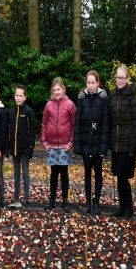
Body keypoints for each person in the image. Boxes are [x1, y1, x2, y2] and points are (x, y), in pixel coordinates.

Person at [73, 70, 109, 215]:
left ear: (98, 83)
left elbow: (106, 124)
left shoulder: (103, 99)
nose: (91, 85)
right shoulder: (82, 99)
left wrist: (103, 147)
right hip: (86, 142)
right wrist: (78, 145)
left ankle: (97, 203)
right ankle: (88, 202)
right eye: (88, 82)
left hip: (98, 142)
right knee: (87, 174)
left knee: (98, 174)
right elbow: (78, 123)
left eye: (93, 82)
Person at [109, 65, 136, 218]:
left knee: (123, 177)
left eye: (123, 77)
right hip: (115, 143)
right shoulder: (113, 95)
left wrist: (132, 148)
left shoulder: (132, 98)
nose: (120, 80)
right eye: (118, 77)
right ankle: (122, 207)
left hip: (127, 144)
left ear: (127, 78)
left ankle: (129, 208)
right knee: (118, 176)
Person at [41, 77, 76, 212]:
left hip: (64, 146)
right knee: (54, 174)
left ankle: (65, 201)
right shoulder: (48, 105)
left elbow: (74, 125)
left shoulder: (70, 105)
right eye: (54, 90)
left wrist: (70, 143)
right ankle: (52, 201)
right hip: (51, 146)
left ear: (63, 89)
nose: (56, 92)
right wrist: (44, 141)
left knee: (64, 174)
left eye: (59, 89)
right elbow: (44, 124)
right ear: (52, 90)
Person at [6, 84, 36, 209]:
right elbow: (8, 130)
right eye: (16, 95)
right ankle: (16, 198)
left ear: (25, 97)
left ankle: (27, 198)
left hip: (24, 149)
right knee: (16, 174)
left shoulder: (29, 112)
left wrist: (31, 147)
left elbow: (32, 131)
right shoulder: (11, 112)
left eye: (20, 96)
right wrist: (8, 147)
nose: (18, 98)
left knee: (25, 174)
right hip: (14, 149)